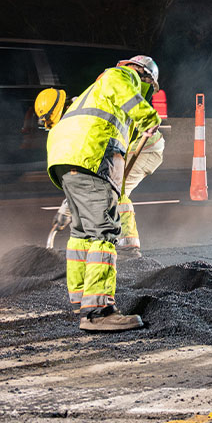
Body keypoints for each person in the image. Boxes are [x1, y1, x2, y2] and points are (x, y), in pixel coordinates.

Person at [45, 55, 162, 331]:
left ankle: (80, 299)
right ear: (144, 76)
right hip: (93, 155)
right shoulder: (120, 76)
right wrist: (148, 116)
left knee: (82, 232)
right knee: (104, 233)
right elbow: (117, 84)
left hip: (65, 157)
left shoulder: (92, 95)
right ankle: (98, 311)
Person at [40, 59, 167, 259]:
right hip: (125, 146)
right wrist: (66, 209)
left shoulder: (117, 82)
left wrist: (66, 210)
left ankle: (129, 248)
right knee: (108, 189)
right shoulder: (80, 112)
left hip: (146, 147)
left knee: (117, 191)